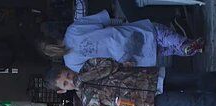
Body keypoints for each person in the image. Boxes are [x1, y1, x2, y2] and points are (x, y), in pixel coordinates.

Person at [46, 62, 216, 106]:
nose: (70, 80)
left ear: (69, 69)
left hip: (150, 76)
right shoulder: (88, 104)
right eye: (65, 84)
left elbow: (111, 65)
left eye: (67, 75)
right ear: (63, 91)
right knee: (190, 102)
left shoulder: (88, 67)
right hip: (148, 101)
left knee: (193, 79)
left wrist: (84, 78)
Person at [40, 9, 204, 72]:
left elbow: (96, 72)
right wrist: (122, 22)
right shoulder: (73, 30)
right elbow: (104, 21)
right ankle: (186, 45)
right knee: (159, 34)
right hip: (122, 36)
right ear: (55, 36)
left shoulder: (71, 63)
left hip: (123, 58)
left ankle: (189, 49)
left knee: (162, 50)